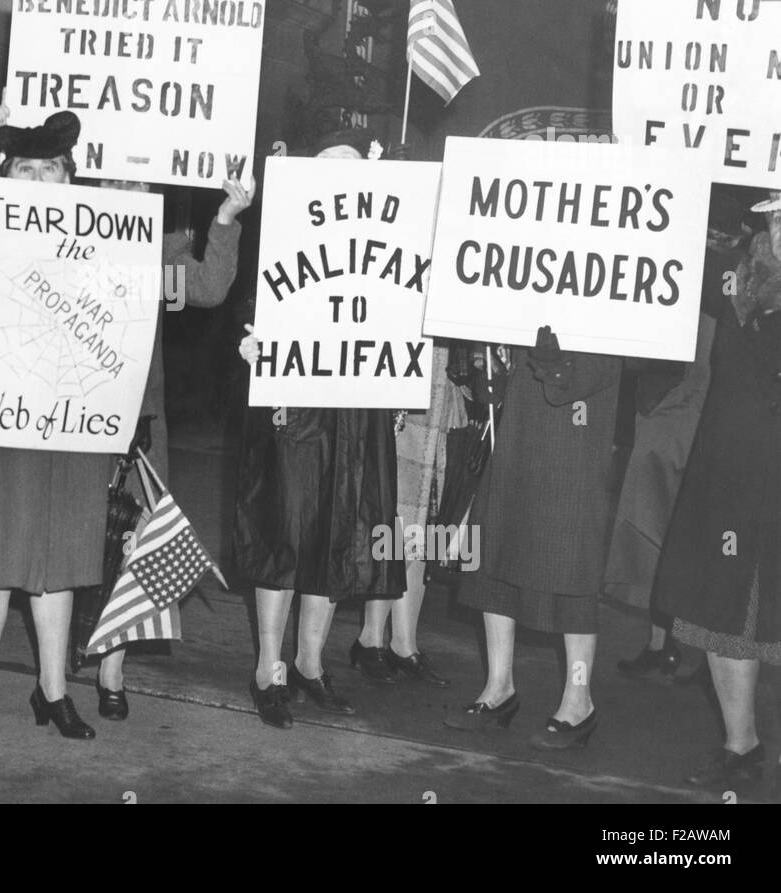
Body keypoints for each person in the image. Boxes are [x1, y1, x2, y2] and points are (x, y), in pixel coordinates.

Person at [0, 110, 104, 740]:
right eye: (25, 169)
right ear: (5, 176)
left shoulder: (103, 240)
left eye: (51, 168)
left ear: (71, 176)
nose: (38, 180)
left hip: (71, 416)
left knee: (59, 549)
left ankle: (53, 688)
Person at [234, 130, 405, 728]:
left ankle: (310, 662)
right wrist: (248, 341)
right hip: (294, 401)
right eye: (328, 165)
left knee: (338, 530)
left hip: (356, 405)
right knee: (285, 528)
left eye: (350, 167)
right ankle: (268, 668)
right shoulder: (284, 229)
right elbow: (246, 303)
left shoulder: (389, 240)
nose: (338, 176)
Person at [89, 173, 250, 719]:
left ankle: (112, 666)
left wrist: (224, 219)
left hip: (138, 422)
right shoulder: (62, 238)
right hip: (64, 418)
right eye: (117, 182)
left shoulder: (156, 261)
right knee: (71, 537)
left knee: (134, 538)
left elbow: (207, 288)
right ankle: (53, 673)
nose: (128, 193)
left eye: (139, 185)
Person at [653, 192, 781, 794]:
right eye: (778, 216)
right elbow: (658, 256)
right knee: (722, 611)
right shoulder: (736, 276)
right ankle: (741, 746)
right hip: (728, 472)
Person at [443, 330, 621, 749]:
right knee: (493, 558)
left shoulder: (610, 320)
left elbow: (579, 378)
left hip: (576, 441)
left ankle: (579, 701)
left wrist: (548, 358)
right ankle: (498, 688)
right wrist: (495, 362)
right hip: (519, 433)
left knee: (573, 575)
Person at [605, 193, 747, 680]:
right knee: (671, 522)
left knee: (676, 521)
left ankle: (692, 646)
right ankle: (674, 644)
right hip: (686, 403)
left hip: (697, 404)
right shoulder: (710, 259)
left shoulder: (717, 262)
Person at [354, 343, 461, 687]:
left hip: (447, 399)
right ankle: (370, 639)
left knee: (429, 523)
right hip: (405, 381)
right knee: (396, 517)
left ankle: (404, 643)